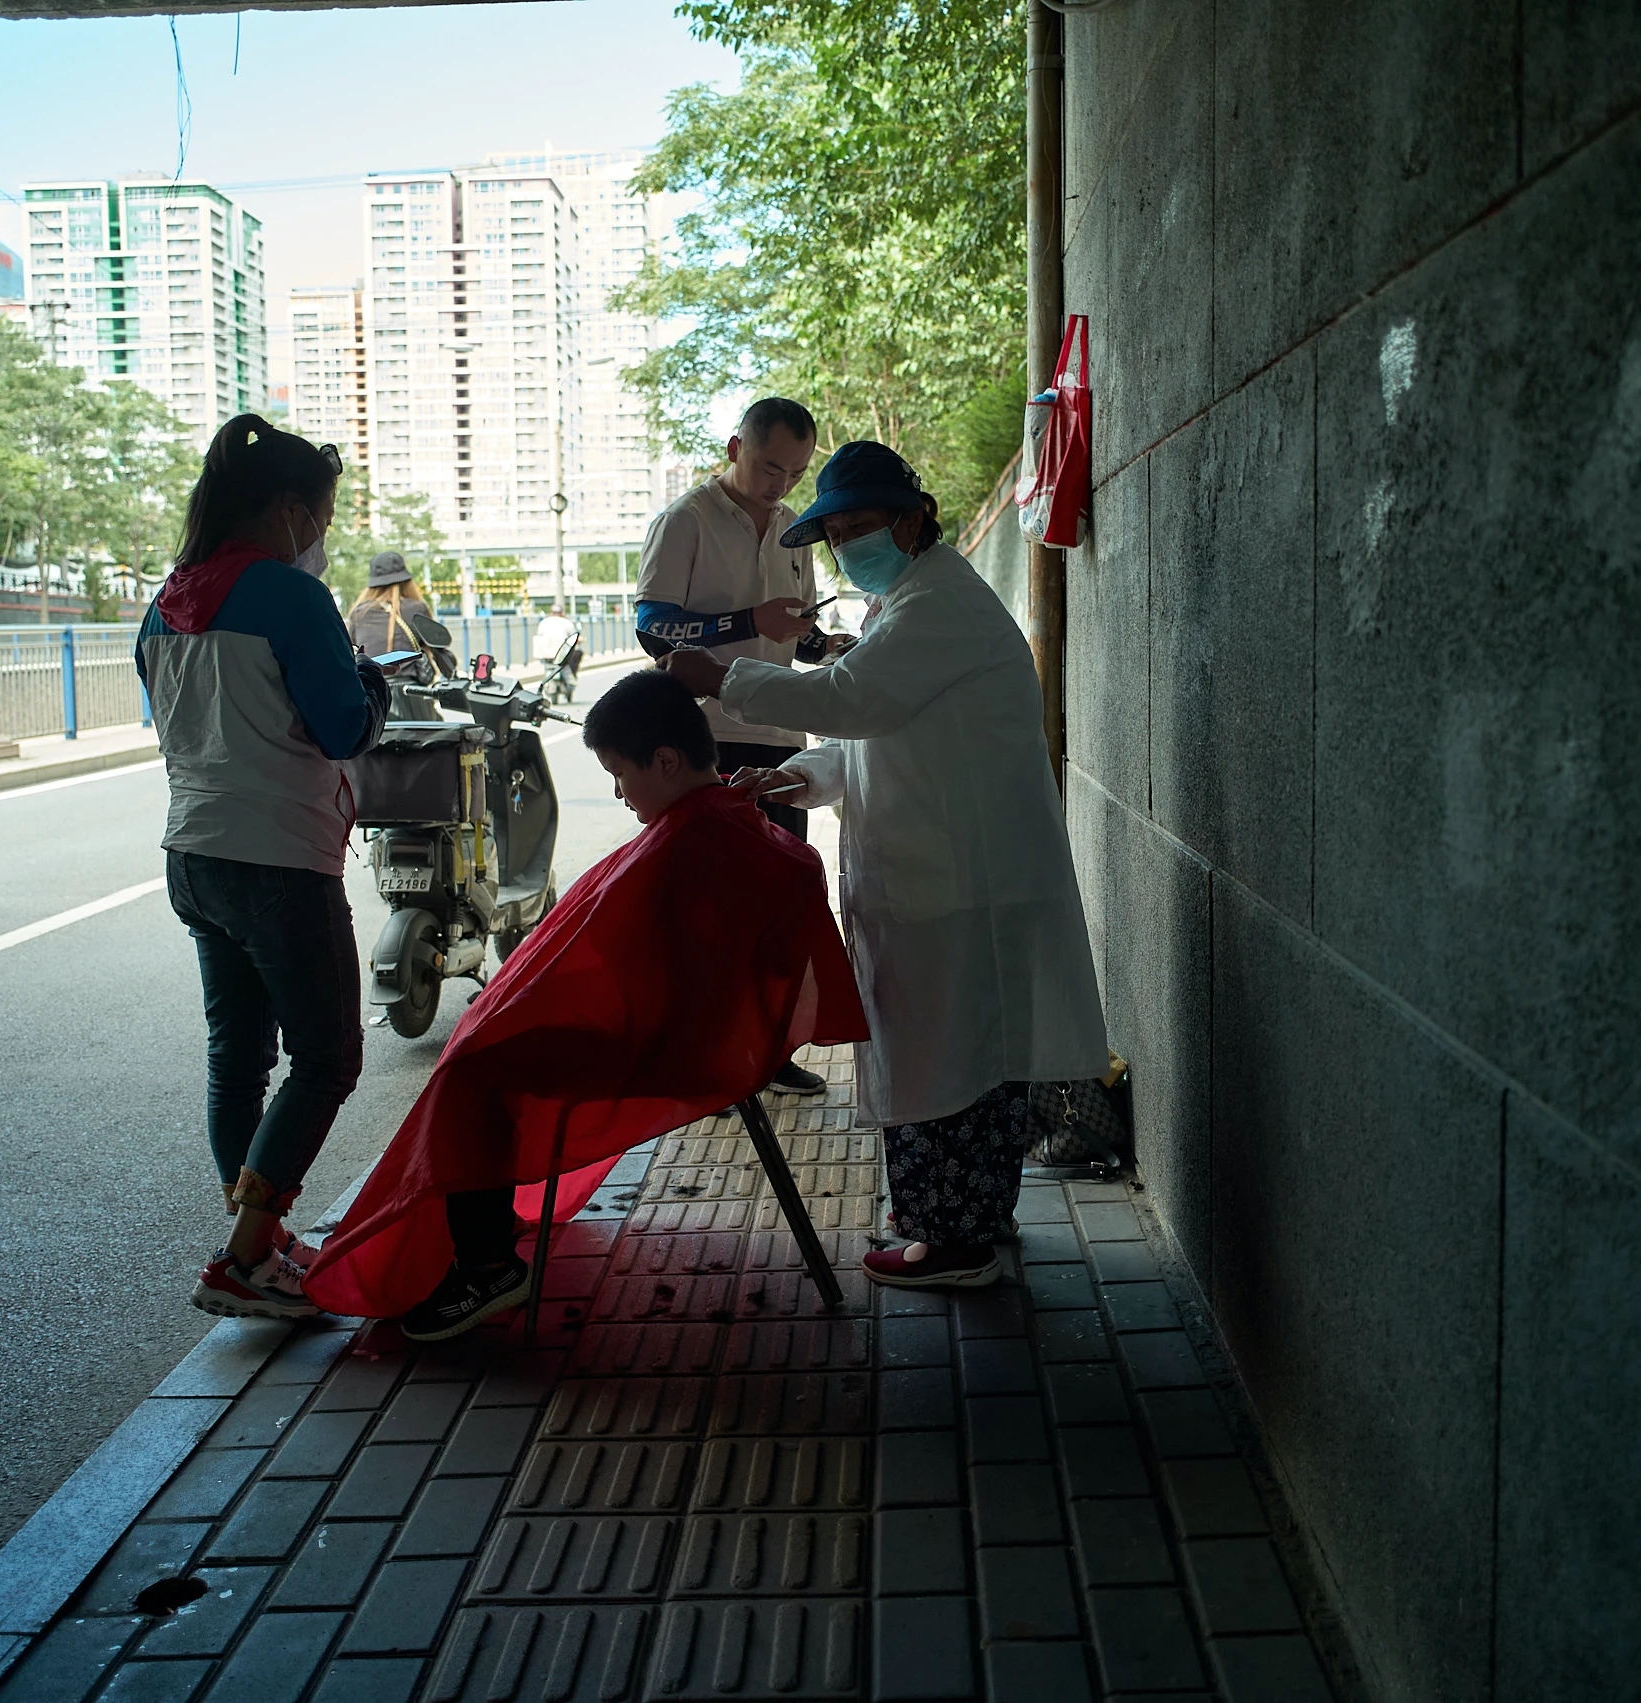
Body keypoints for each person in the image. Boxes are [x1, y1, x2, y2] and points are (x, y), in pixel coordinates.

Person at [663, 440, 1108, 1290]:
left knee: (949, 1066)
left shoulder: (938, 605)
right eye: (835, 535)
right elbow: (872, 739)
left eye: (860, 526)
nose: (846, 547)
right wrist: (796, 775)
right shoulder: (904, 608)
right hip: (939, 875)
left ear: (912, 520)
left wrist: (718, 678)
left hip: (955, 885)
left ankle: (953, 1243)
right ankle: (971, 1220)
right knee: (963, 1061)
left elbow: (851, 701)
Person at [303, 670, 866, 1337]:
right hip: (699, 1034)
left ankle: (489, 1266)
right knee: (483, 1051)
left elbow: (602, 966)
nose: (618, 792)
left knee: (473, 1070)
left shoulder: (694, 841)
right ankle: (488, 1240)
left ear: (664, 760)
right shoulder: (726, 823)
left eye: (620, 774)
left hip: (673, 1049)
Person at [136, 414, 397, 1320]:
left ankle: (261, 1242)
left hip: (194, 854)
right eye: (320, 516)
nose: (322, 536)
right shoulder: (291, 598)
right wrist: (374, 681)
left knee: (237, 1060)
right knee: (327, 1057)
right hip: (280, 859)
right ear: (288, 509)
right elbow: (342, 727)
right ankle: (245, 1259)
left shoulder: (164, 600)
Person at [634, 396, 845, 1096]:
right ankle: (706, 1065)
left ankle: (769, 1051)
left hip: (783, 737)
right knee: (707, 912)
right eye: (767, 465)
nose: (779, 483)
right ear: (733, 449)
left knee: (778, 902)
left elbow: (796, 634)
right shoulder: (686, 519)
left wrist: (826, 646)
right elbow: (654, 628)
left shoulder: (794, 531)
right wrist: (744, 620)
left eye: (794, 471)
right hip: (706, 739)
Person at [346, 551, 454, 678]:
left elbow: (351, 653)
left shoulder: (358, 613)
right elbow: (440, 652)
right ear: (406, 582)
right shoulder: (417, 609)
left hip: (373, 691)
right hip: (410, 692)